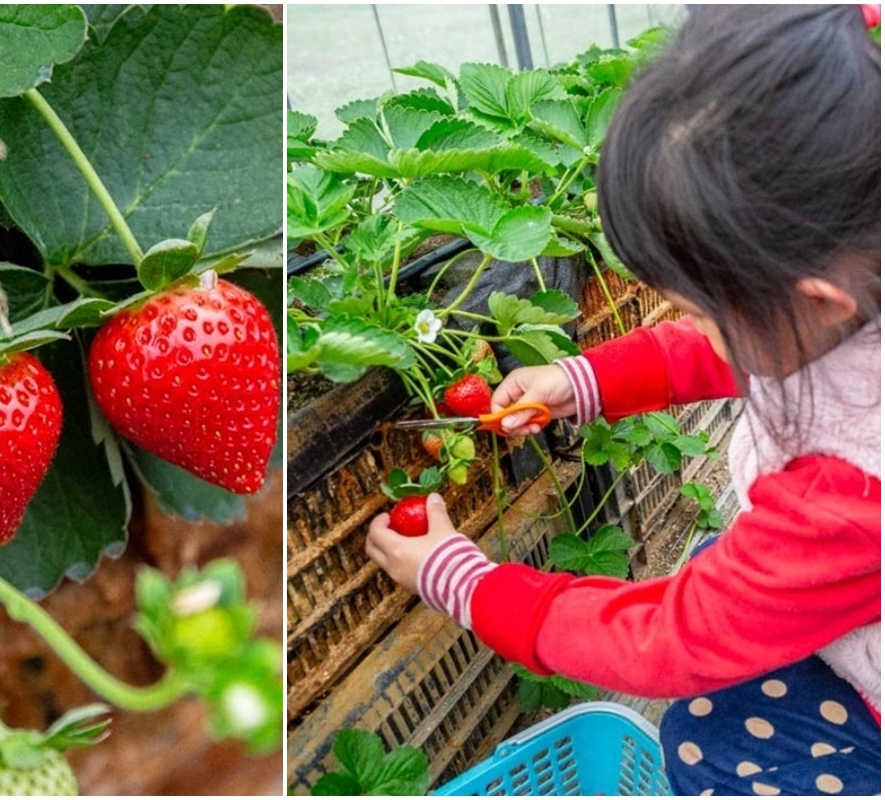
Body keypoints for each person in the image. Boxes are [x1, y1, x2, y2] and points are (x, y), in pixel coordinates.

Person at [365, 5, 880, 796]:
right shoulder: (850, 277)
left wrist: (462, 580)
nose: (684, 324)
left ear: (816, 302)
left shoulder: (851, 492)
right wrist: (582, 381)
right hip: (845, 609)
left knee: (719, 757)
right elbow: (741, 355)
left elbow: (670, 641)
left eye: (699, 310)